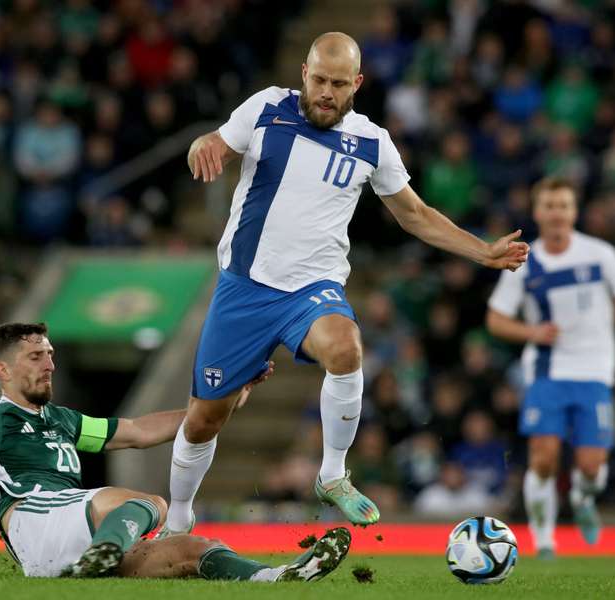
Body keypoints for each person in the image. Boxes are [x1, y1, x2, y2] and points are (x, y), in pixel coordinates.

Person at [159, 31, 529, 536]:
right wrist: (203, 144)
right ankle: (178, 521)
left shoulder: (373, 142)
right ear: (304, 74)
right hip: (244, 289)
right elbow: (217, 146)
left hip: (313, 288)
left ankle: (333, 474)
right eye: (318, 80)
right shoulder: (267, 108)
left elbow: (415, 215)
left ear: (356, 83)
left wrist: (481, 250)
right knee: (203, 420)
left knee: (345, 347)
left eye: (338, 83)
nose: (326, 92)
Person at [0, 322, 351, 581]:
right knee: (151, 503)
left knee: (193, 552)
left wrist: (221, 404)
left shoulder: (59, 418)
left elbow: (136, 430)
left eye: (50, 355)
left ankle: (280, 575)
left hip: (72, 536)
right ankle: (103, 550)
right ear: (3, 371)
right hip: (36, 522)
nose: (48, 364)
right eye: (35, 356)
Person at [486, 176, 615, 557]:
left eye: (563, 205)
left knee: (592, 464)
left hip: (595, 370)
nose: (557, 213)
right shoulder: (525, 261)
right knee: (543, 457)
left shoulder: (599, 254)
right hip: (548, 371)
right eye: (549, 205)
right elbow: (496, 319)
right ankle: (543, 539)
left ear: (574, 211)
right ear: (537, 211)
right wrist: (532, 331)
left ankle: (583, 496)